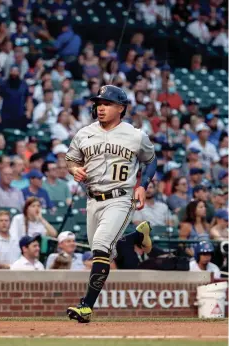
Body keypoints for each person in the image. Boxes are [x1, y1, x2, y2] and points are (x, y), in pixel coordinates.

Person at [65, 85, 156, 323]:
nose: (100, 108)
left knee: (101, 245)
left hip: (121, 197)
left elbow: (151, 160)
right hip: (93, 199)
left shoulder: (136, 135)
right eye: (99, 103)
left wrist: (142, 185)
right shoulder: (84, 133)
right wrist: (75, 169)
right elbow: (71, 159)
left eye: (106, 104)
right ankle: (136, 237)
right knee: (105, 250)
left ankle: (86, 306)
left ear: (121, 108)